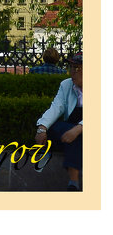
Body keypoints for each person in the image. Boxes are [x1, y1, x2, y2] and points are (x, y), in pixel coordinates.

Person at [34, 52, 83, 191]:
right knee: (55, 128)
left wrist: (79, 128)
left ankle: (73, 181)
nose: (72, 72)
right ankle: (73, 184)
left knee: (75, 136)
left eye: (77, 68)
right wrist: (42, 128)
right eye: (71, 67)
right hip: (70, 129)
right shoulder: (66, 85)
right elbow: (56, 107)